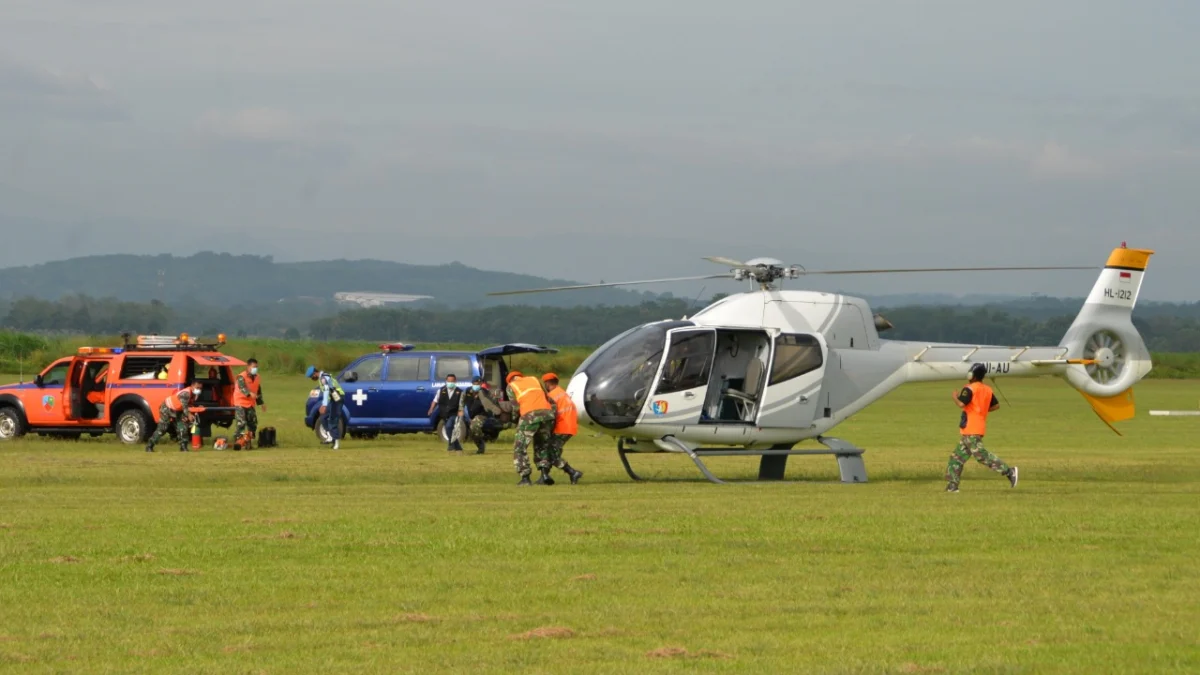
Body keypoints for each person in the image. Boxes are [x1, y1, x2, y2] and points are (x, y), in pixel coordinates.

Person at [945, 363, 1019, 492]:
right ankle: (952, 486)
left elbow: (962, 403)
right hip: (977, 427)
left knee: (980, 455)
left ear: (972, 375)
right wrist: (981, 410)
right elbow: (996, 406)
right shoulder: (987, 389)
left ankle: (1009, 471)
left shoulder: (969, 388)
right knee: (956, 457)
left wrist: (955, 397)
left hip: (971, 428)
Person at [505, 370, 558, 486]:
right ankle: (544, 475)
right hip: (547, 414)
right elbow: (549, 399)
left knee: (520, 447)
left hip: (530, 415)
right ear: (520, 376)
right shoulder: (533, 379)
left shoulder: (511, 386)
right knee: (542, 445)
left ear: (509, 380)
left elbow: (515, 407)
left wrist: (514, 419)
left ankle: (525, 478)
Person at [541, 373, 583, 484]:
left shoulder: (552, 396)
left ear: (547, 383)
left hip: (562, 427)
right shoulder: (562, 392)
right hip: (570, 426)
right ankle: (544, 477)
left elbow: (549, 414)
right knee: (553, 450)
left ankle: (573, 472)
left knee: (552, 453)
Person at [146, 380, 204, 453]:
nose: (199, 390)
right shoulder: (186, 393)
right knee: (162, 429)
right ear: (192, 386)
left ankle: (183, 447)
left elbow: (189, 405)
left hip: (177, 410)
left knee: (182, 427)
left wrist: (197, 407)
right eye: (197, 387)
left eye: (200, 388)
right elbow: (185, 408)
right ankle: (149, 445)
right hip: (167, 408)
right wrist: (189, 415)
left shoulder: (194, 395)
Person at [307, 365, 345, 450]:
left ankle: (336, 442)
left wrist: (324, 405)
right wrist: (324, 405)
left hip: (338, 398)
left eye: (311, 376)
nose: (311, 378)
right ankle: (329, 436)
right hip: (333, 399)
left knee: (333, 419)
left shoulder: (323, 378)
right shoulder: (323, 377)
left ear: (315, 373)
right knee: (323, 417)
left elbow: (327, 390)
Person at [232, 358, 266, 449]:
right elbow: (242, 388)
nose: (256, 368)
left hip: (250, 403)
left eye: (257, 367)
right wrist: (249, 393)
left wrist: (261, 403)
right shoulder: (241, 376)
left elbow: (258, 390)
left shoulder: (257, 377)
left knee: (253, 423)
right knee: (241, 423)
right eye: (254, 367)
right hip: (240, 402)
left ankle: (248, 443)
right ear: (248, 367)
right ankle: (238, 442)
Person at [463, 376, 503, 454]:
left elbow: (492, 403)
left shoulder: (485, 392)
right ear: (472, 383)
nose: (477, 385)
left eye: (479, 383)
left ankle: (482, 444)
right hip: (471, 415)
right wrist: (460, 409)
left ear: (481, 384)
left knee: (474, 426)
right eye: (475, 383)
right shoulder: (467, 391)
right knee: (472, 432)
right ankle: (481, 444)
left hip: (482, 415)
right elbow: (461, 400)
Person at [427, 373, 465, 453]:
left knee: (448, 427)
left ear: (455, 381)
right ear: (446, 381)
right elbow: (435, 401)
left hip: (453, 414)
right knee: (449, 430)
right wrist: (431, 409)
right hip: (444, 414)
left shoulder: (460, 392)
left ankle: (451, 446)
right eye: (449, 381)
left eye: (452, 381)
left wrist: (460, 413)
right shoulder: (441, 390)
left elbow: (461, 404)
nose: (450, 383)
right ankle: (457, 447)